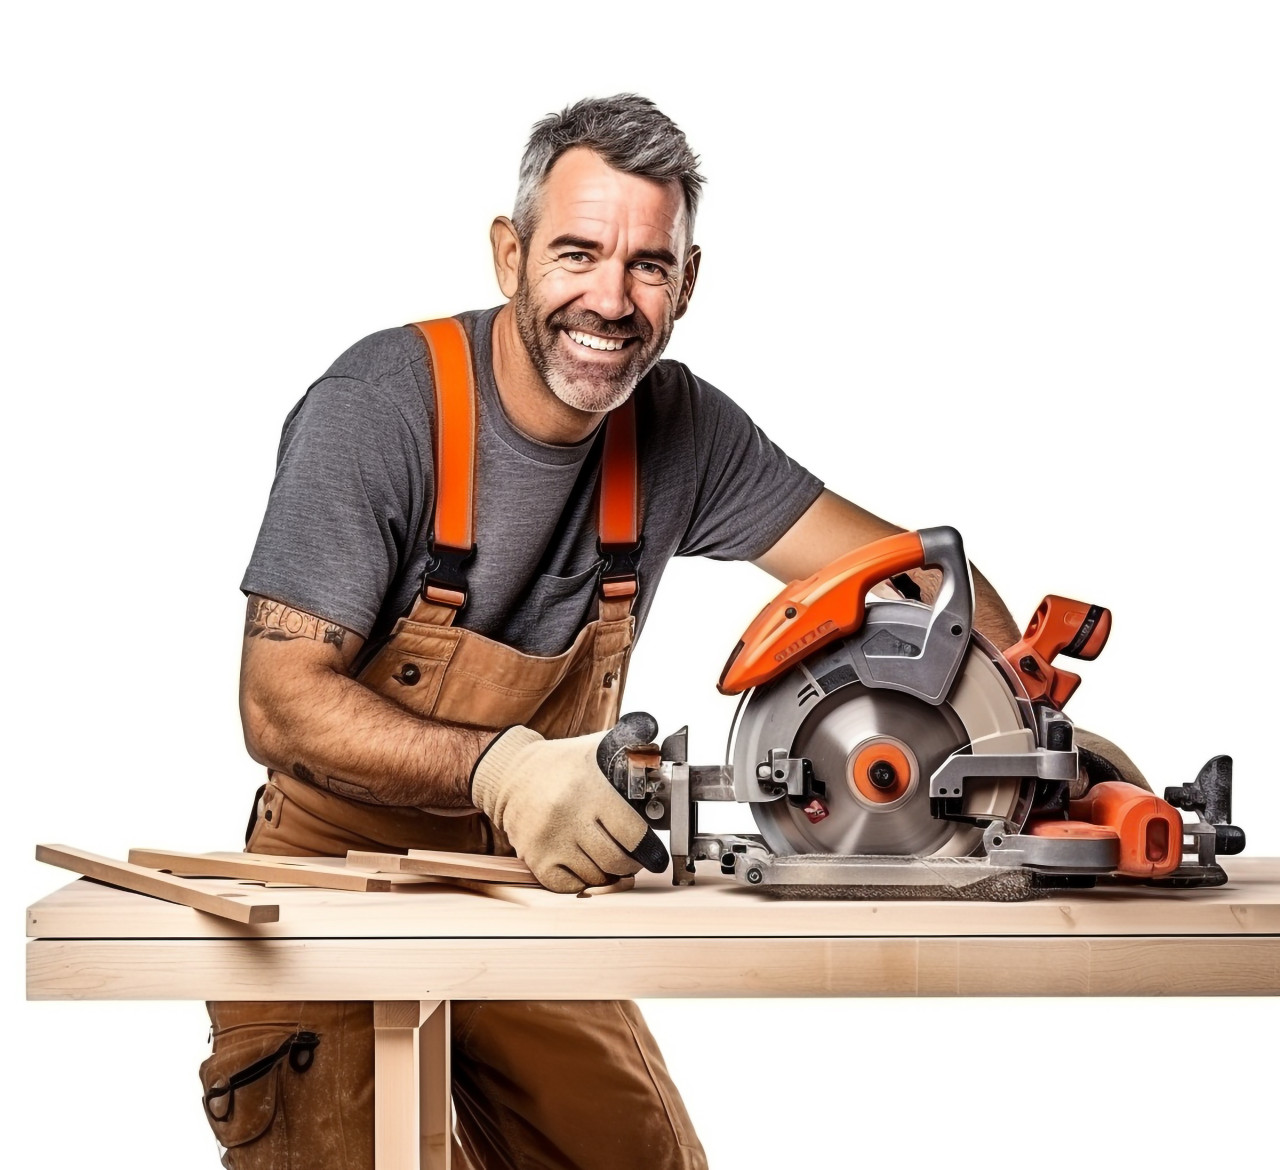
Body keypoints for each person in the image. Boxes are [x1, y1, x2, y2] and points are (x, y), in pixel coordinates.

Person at [198, 93, 1075, 1170]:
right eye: (575, 253)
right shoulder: (380, 408)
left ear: (686, 284)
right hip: (329, 884)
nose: (609, 302)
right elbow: (276, 701)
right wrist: (501, 769)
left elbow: (904, 574)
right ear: (508, 255)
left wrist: (1016, 730)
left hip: (533, 874)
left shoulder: (681, 429)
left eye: (647, 266)